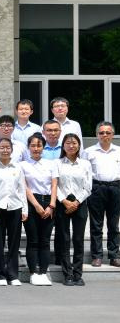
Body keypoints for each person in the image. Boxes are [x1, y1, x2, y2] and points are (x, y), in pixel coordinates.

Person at [0, 137, 28, 287]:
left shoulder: (17, 167)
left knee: (14, 243)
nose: (5, 150)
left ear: (12, 150)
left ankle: (13, 275)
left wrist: (25, 209)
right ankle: (0, 275)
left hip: (15, 207)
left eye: (8, 147)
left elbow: (21, 189)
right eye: (2, 147)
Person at [22, 131, 59, 286]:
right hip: (31, 203)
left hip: (49, 202)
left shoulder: (51, 164)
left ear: (43, 147)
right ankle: (33, 273)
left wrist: (51, 205)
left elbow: (54, 185)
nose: (36, 148)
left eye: (39, 145)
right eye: (33, 145)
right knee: (33, 240)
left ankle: (43, 272)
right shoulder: (23, 165)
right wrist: (36, 205)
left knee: (45, 240)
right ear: (28, 147)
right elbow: (24, 187)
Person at [55, 133, 91, 286]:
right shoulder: (57, 163)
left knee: (78, 239)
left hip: (80, 203)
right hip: (62, 203)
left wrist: (76, 202)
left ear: (79, 145)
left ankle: (78, 274)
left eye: (74, 143)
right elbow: (54, 185)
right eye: (68, 143)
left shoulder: (85, 164)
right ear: (63, 146)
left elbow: (88, 187)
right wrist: (64, 201)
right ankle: (67, 274)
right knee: (64, 239)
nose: (71, 145)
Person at [83, 121, 120, 267]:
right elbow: (84, 172)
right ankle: (97, 256)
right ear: (97, 135)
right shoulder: (89, 152)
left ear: (113, 135)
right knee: (96, 224)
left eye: (108, 132)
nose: (105, 135)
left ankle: (114, 255)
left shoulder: (118, 151)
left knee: (113, 224)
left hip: (115, 188)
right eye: (101, 132)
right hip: (97, 188)